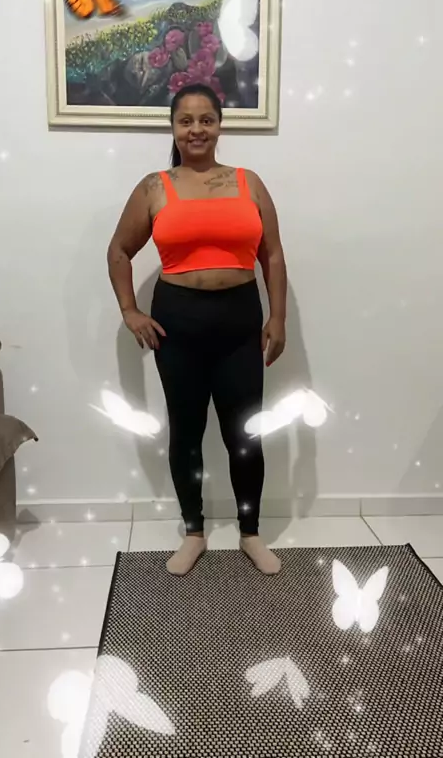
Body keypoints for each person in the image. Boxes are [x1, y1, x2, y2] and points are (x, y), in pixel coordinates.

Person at [108, 82, 287, 576]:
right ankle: (193, 532)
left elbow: (272, 255)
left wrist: (278, 317)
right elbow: (119, 250)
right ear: (173, 128)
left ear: (220, 125)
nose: (196, 129)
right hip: (178, 323)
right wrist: (129, 310)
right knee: (186, 430)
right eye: (185, 120)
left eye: (206, 119)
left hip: (239, 321)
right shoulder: (154, 187)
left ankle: (250, 533)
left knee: (244, 433)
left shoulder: (249, 183)